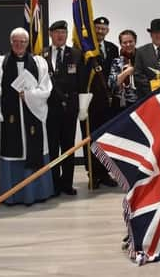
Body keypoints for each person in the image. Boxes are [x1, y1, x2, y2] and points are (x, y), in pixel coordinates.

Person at [0, 27, 55, 205]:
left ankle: (37, 193)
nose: (19, 45)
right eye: (16, 42)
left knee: (34, 149)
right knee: (11, 150)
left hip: (32, 113)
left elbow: (46, 88)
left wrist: (28, 95)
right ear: (11, 42)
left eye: (23, 42)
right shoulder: (1, 61)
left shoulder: (39, 62)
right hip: (11, 118)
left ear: (27, 43)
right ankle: (11, 195)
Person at [42, 20, 88, 196]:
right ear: (50, 34)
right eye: (56, 32)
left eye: (63, 32)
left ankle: (67, 184)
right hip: (50, 108)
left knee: (68, 147)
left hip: (69, 108)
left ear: (67, 34)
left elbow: (81, 83)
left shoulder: (76, 54)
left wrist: (82, 106)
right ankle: (53, 184)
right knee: (53, 148)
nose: (60, 35)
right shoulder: (42, 54)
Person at [83, 16, 119, 189]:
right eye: (97, 28)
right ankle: (93, 174)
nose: (100, 31)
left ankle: (105, 173)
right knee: (90, 139)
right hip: (90, 101)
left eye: (103, 29)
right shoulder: (86, 48)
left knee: (105, 139)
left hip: (108, 101)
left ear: (108, 31)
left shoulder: (113, 48)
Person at [108, 29, 138, 113]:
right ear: (121, 44)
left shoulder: (143, 58)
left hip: (141, 102)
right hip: (121, 104)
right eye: (124, 42)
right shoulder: (116, 61)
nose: (128, 44)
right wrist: (126, 72)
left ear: (135, 41)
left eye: (130, 41)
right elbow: (112, 84)